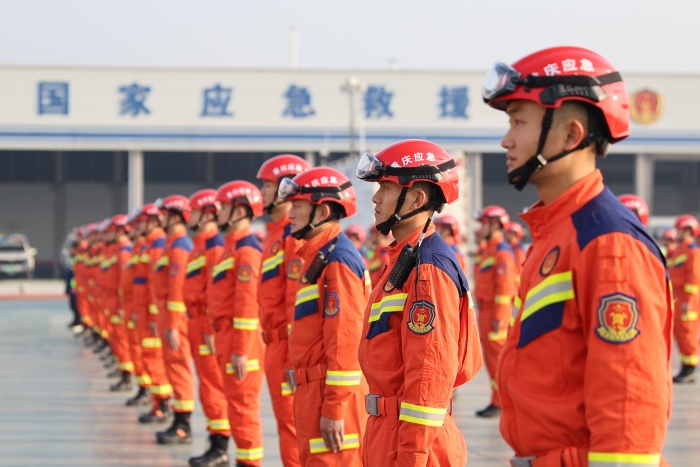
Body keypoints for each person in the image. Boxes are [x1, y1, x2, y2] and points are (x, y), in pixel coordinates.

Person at [483, 45, 672, 464]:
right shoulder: (557, 232)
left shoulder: (607, 243)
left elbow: (628, 415)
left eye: (518, 121)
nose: (506, 139)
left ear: (571, 135)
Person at [355, 139, 482, 465]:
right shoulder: (405, 259)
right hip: (390, 431)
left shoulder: (427, 268)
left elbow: (429, 377)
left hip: (413, 442)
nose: (376, 197)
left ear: (417, 199)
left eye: (385, 188)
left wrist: (411, 456)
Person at [278, 167, 370, 466]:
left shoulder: (337, 261)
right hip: (314, 391)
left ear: (323, 212)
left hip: (329, 395)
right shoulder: (319, 257)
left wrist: (334, 407)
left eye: (298, 205)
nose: (290, 214)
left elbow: (346, 342)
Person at [256, 154, 310, 467]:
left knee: (292, 425)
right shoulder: (277, 234)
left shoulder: (291, 237)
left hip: (287, 347)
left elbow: (295, 302)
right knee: (286, 423)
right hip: (274, 344)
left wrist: (293, 357)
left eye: (267, 185)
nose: (261, 192)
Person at [208, 180, 265, 467]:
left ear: (240, 211)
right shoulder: (231, 248)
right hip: (227, 336)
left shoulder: (246, 251)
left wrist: (241, 349)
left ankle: (249, 462)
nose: (217, 213)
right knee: (234, 405)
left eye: (223, 208)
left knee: (243, 409)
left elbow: (246, 305)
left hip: (241, 342)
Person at [184, 189, 232, 466]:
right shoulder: (201, 245)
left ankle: (220, 445)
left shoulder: (214, 246)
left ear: (206, 215)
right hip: (196, 321)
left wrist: (211, 328)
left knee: (213, 385)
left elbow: (216, 294)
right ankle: (215, 439)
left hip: (206, 324)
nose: (189, 217)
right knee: (207, 385)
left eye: (194, 212)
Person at [153, 195, 196, 445]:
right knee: (172, 367)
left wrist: (171, 324)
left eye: (165, 214)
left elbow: (177, 290)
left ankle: (183, 424)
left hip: (175, 319)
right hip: (168, 317)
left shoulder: (179, 247)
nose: (161, 218)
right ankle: (178, 418)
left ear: (177, 217)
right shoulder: (172, 245)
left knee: (179, 367)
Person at [474, 205, 517, 418]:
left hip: (495, 314)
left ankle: (501, 402)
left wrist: (499, 317)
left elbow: (505, 288)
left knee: (498, 359)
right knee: (492, 360)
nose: (480, 228)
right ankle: (497, 399)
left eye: (483, 224)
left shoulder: (502, 252)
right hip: (486, 312)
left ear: (495, 225)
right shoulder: (490, 250)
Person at [136, 203, 173, 424]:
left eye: (142, 222)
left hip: (152, 314)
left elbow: (154, 286)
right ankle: (156, 401)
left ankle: (162, 404)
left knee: (155, 358)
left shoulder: (158, 245)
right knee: (149, 358)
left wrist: (152, 316)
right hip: (144, 311)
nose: (138, 226)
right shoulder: (150, 245)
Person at [668, 214, 700, 383]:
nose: (677, 232)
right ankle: (685, 368)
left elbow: (694, 278)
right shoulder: (680, 249)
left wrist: (688, 301)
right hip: (677, 297)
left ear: (688, 230)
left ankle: (690, 370)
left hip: (688, 299)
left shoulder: (693, 250)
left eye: (679, 229)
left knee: (688, 333)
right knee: (680, 334)